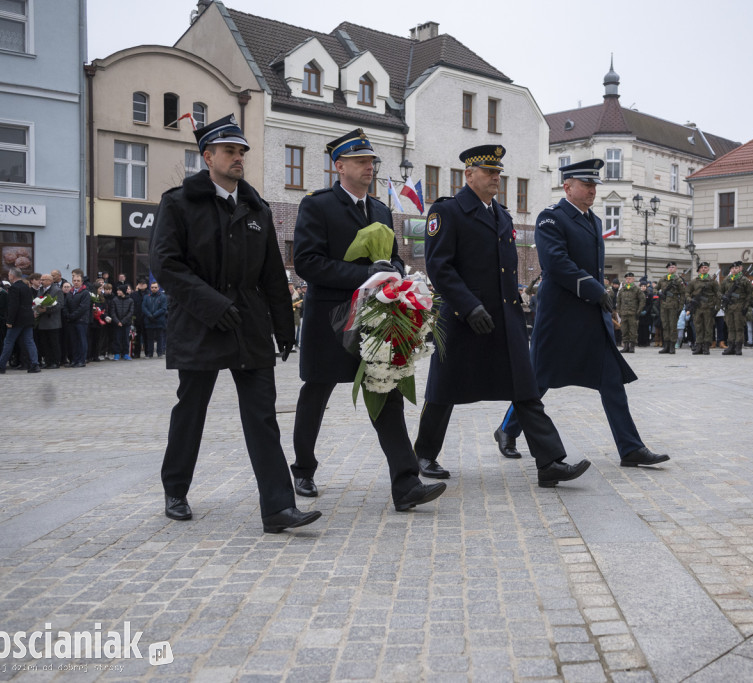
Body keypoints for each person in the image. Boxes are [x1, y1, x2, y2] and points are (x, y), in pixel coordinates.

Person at [150, 113, 319, 533]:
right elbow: (166, 266)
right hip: (199, 322)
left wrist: (284, 327)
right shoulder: (178, 203)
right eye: (229, 150)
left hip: (248, 323)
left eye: (242, 151)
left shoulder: (255, 206)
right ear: (207, 156)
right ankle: (176, 488)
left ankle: (278, 508)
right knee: (191, 409)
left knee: (262, 415)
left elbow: (271, 276)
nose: (238, 157)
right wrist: (211, 304)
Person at [413, 144, 591, 487]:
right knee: (444, 390)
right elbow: (440, 267)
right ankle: (423, 454)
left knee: (525, 390)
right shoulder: (447, 212)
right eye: (489, 172)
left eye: (498, 172)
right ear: (469, 174)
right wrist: (469, 306)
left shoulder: (501, 214)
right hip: (465, 318)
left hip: (504, 318)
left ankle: (550, 461)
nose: (496, 178)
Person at [292, 128, 444, 511]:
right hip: (330, 320)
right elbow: (308, 263)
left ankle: (406, 484)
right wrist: (364, 275)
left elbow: (391, 258)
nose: (369, 167)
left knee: (386, 392)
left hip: (375, 319)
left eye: (372, 161)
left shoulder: (379, 209)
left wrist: (394, 274)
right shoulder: (317, 205)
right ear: (339, 166)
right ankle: (303, 468)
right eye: (360, 161)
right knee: (316, 393)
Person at [493, 159, 669, 468]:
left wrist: (597, 294)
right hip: (559, 315)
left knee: (611, 380)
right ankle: (507, 429)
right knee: (539, 379)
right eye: (586, 185)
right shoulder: (551, 218)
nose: (592, 190)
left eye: (594, 186)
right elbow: (556, 263)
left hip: (590, 316)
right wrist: (595, 289)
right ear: (567, 186)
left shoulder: (595, 221)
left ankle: (630, 448)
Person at [0, 267, 40, 373]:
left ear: (12, 275)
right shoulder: (26, 287)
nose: (8, 277)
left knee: (8, 342)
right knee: (29, 341)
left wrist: (10, 321)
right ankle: (35, 364)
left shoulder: (14, 288)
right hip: (28, 319)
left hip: (17, 320)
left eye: (9, 275)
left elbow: (13, 306)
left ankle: (1, 365)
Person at [685, 261, 718, 354]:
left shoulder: (713, 282)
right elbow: (687, 292)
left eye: (706, 267)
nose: (704, 269)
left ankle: (706, 347)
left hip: (708, 308)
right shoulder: (694, 282)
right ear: (699, 270)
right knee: (698, 327)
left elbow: (718, 295)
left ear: (708, 269)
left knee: (708, 327)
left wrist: (716, 307)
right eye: (702, 267)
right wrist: (690, 300)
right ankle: (699, 345)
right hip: (697, 308)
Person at [719, 261, 751, 355]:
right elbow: (719, 291)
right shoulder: (726, 280)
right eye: (732, 268)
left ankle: (738, 347)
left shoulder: (744, 280)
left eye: (736, 268)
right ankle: (731, 346)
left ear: (740, 269)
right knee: (731, 327)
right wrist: (723, 297)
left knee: (739, 328)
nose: (734, 270)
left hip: (739, 307)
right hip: (729, 307)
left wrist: (746, 307)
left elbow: (749, 294)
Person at [656, 262, 687, 354]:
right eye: (669, 267)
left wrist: (680, 306)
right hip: (664, 306)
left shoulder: (678, 280)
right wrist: (659, 293)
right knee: (665, 326)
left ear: (676, 268)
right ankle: (666, 345)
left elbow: (682, 294)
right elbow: (655, 289)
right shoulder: (662, 279)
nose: (671, 269)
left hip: (674, 306)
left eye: (673, 267)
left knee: (672, 326)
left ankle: (672, 346)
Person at [35, 273, 64, 369]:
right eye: (41, 279)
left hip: (52, 321)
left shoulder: (57, 290)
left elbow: (59, 305)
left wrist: (46, 310)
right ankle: (48, 361)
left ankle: (55, 361)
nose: (41, 281)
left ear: (50, 281)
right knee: (45, 342)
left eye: (43, 280)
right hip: (42, 321)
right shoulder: (40, 290)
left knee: (54, 342)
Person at [65, 270, 90, 367]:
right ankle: (74, 360)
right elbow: (65, 305)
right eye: (74, 280)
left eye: (78, 280)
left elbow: (83, 308)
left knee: (81, 341)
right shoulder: (70, 293)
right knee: (73, 341)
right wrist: (67, 314)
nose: (76, 282)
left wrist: (72, 315)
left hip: (81, 320)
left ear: (81, 282)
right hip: (71, 321)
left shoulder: (85, 293)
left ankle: (81, 360)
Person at [616, 272, 642, 353]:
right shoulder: (622, 290)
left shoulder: (637, 289)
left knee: (633, 331)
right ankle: (626, 346)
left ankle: (632, 347)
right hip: (623, 313)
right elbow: (618, 301)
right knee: (624, 330)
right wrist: (619, 311)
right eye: (627, 279)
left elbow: (642, 300)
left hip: (632, 313)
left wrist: (638, 311)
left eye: (630, 279)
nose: (628, 280)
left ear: (633, 279)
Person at [142, 281, 168, 358]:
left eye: (155, 287)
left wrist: (154, 315)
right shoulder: (146, 297)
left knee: (160, 337)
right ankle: (150, 353)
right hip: (149, 320)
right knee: (149, 338)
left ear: (158, 288)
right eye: (152, 287)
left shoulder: (163, 297)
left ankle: (160, 353)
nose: (154, 289)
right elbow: (144, 307)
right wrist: (149, 315)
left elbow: (163, 308)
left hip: (159, 320)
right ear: (150, 288)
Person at [109, 284, 134, 360]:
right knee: (117, 338)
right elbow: (112, 312)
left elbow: (131, 312)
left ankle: (125, 353)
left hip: (126, 323)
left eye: (119, 290)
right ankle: (117, 353)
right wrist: (117, 321)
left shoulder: (130, 300)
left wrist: (123, 321)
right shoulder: (114, 300)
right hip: (117, 323)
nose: (117, 292)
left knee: (126, 338)